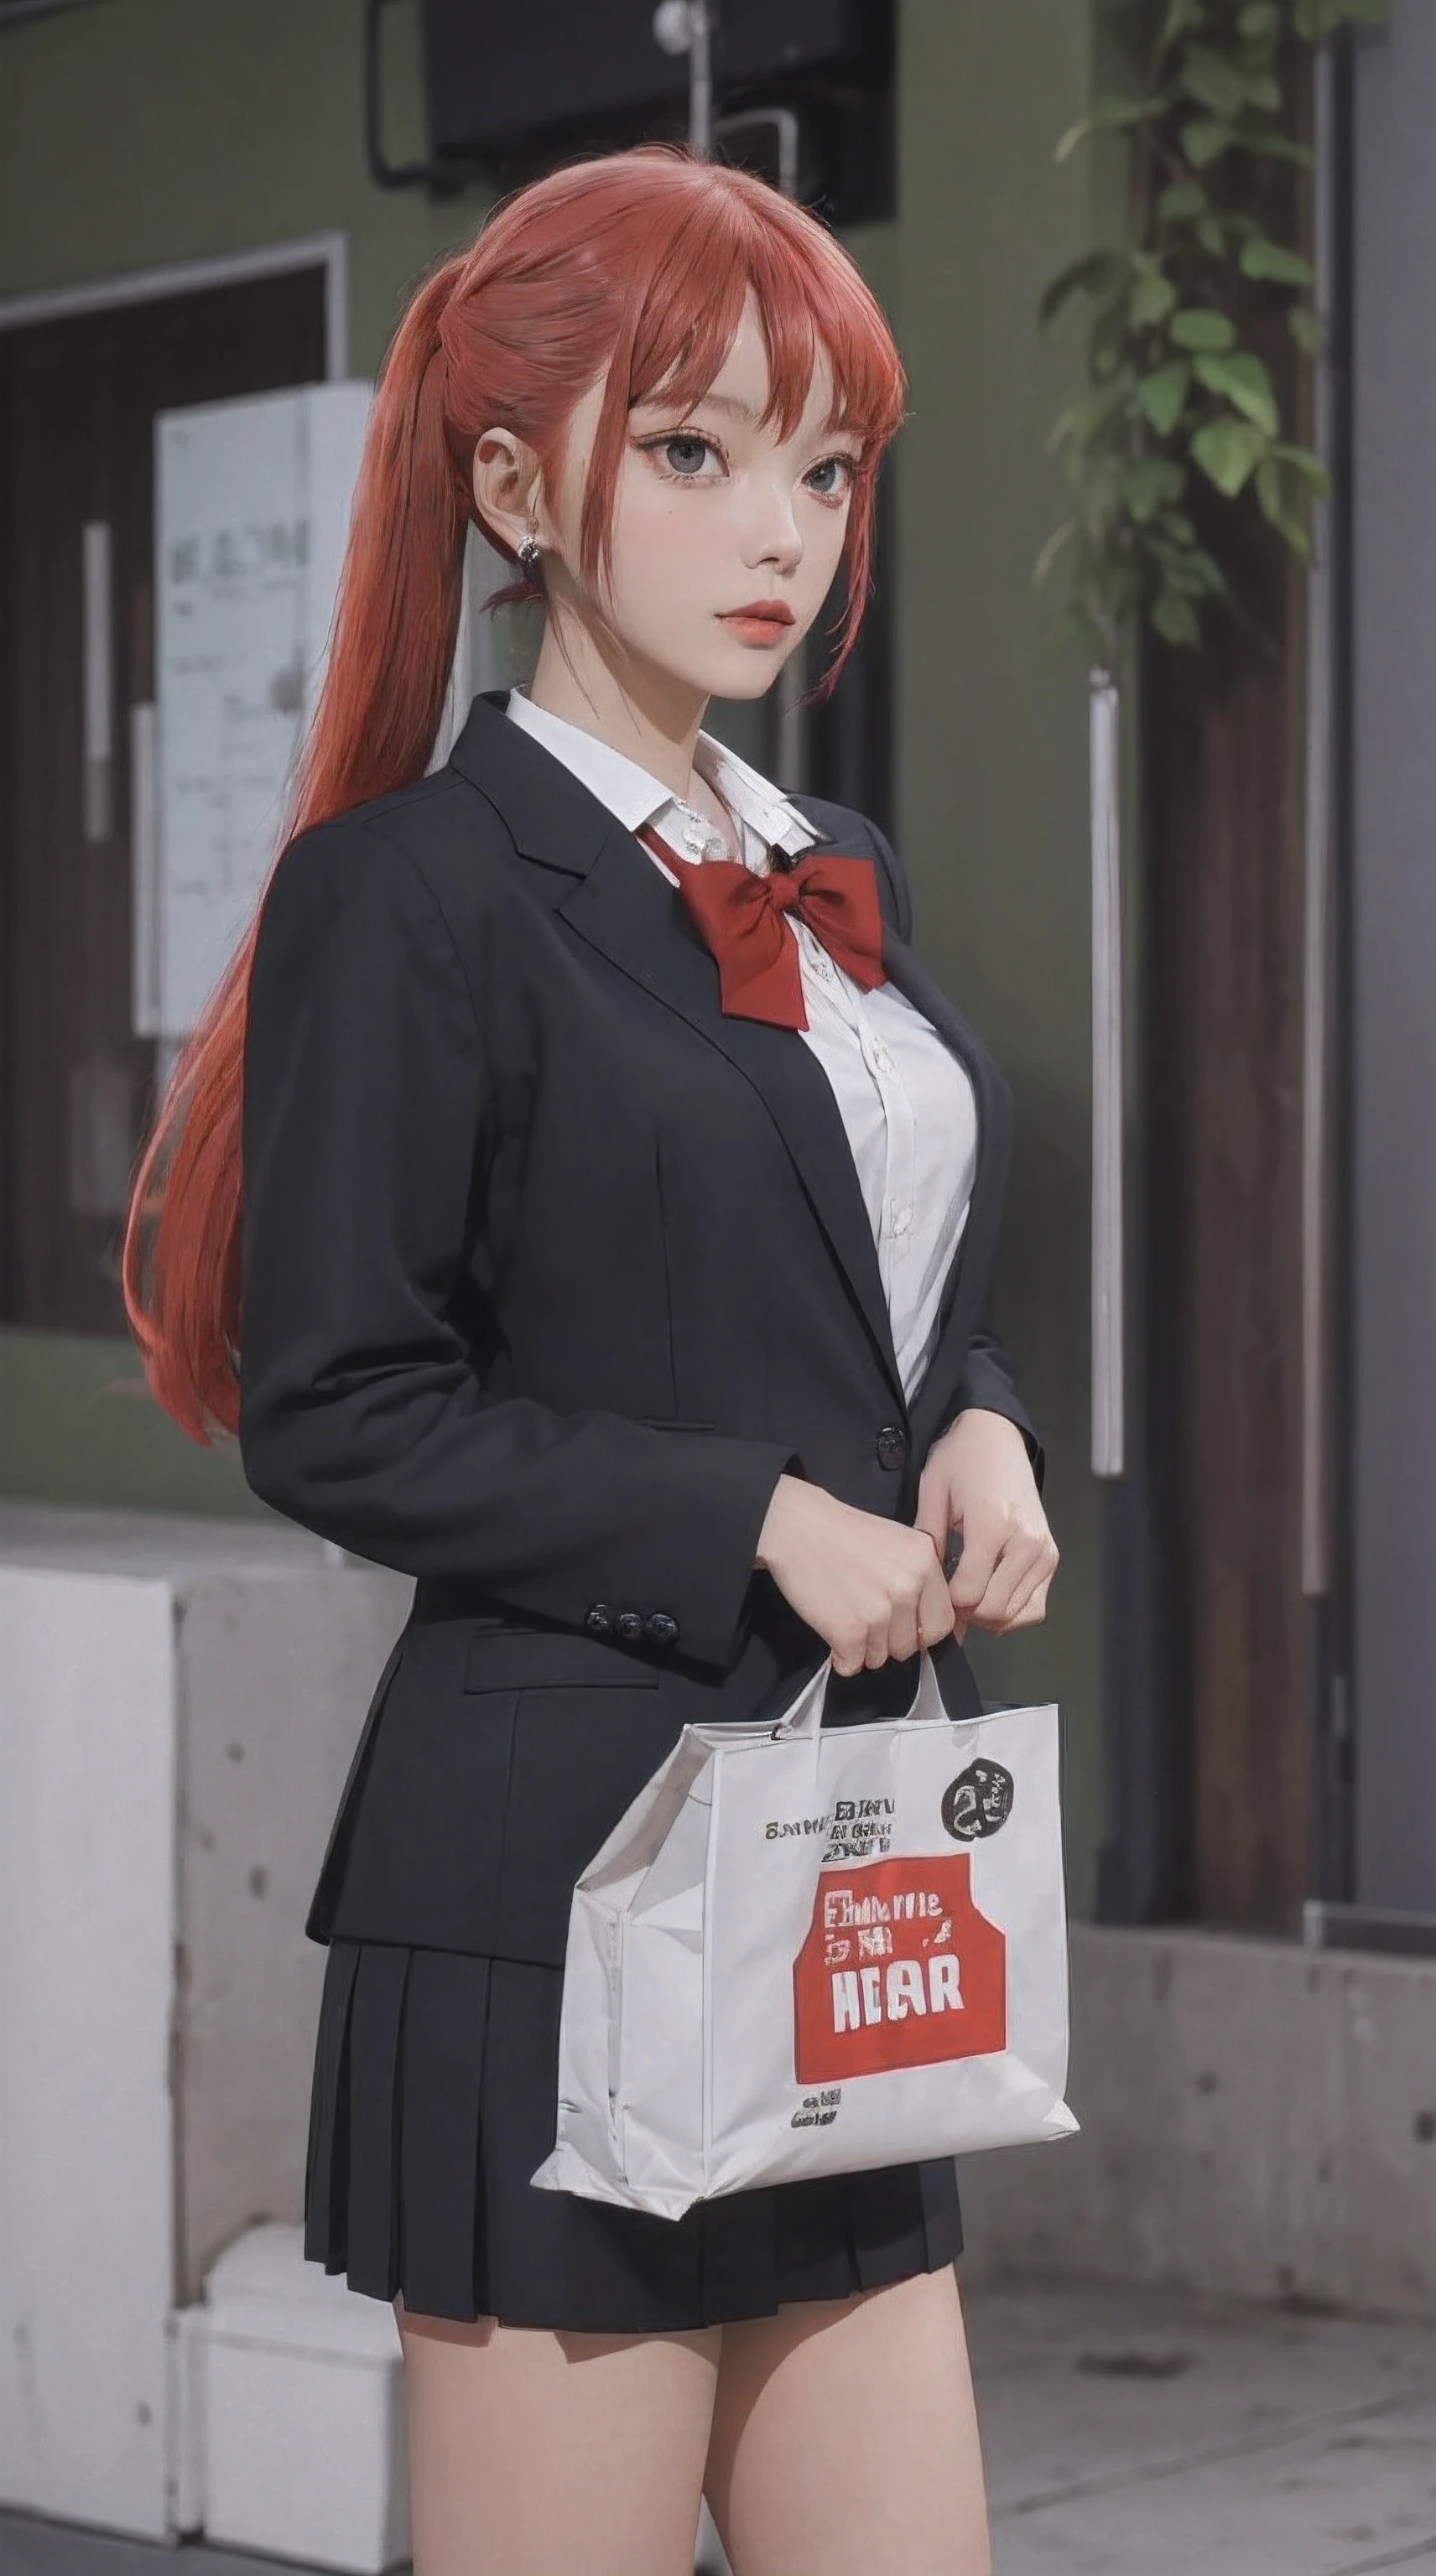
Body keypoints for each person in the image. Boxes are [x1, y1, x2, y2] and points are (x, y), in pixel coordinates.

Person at [124, 145, 1058, 2576]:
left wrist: (979, 1418)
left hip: (835, 1868)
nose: (787, 528)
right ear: (518, 481)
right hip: (549, 1888)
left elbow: (873, 1284)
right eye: (698, 450)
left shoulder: (833, 854)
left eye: (827, 466)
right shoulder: (404, 896)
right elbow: (341, 1407)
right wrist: (748, 1511)